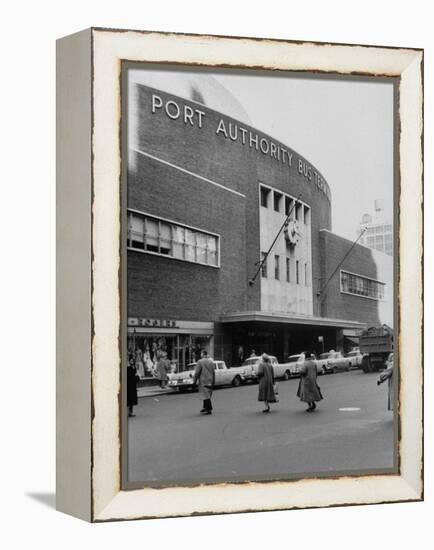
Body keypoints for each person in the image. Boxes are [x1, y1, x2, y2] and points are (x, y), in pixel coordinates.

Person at [193, 349, 215, 415]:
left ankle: (209, 409)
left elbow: (197, 372)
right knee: (207, 394)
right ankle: (205, 407)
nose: (200, 355)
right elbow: (213, 372)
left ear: (203, 354)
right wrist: (213, 381)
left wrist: (194, 380)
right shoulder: (211, 362)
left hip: (203, 380)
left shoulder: (200, 362)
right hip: (210, 379)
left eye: (201, 353)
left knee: (205, 395)